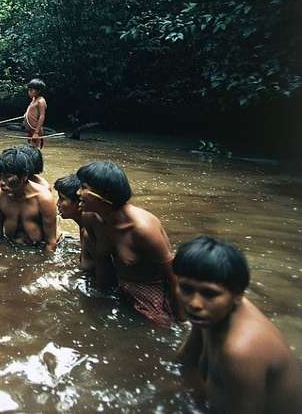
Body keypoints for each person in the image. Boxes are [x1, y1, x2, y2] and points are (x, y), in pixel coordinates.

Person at [174, 236, 302, 413]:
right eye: (186, 289)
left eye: (209, 293)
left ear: (238, 295)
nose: (194, 303)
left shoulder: (240, 352)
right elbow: (186, 359)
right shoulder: (210, 311)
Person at [77, 161, 179, 325]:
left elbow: (173, 277)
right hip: (119, 284)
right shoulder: (90, 217)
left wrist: (179, 318)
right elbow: (101, 261)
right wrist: (99, 302)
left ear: (103, 194)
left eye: (84, 187)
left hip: (148, 288)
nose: (78, 192)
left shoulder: (143, 229)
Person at [0, 147, 58, 252]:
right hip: (10, 245)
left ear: (24, 176)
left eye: (8, 177)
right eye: (0, 176)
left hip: (36, 249)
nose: (1, 183)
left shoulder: (44, 199)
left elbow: (51, 242)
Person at [54, 174, 95, 272]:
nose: (57, 203)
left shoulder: (89, 231)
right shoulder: (85, 224)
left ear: (79, 202)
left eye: (62, 198)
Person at [23, 78, 47, 148]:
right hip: (30, 131)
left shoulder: (41, 101)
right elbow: (30, 110)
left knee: (34, 150)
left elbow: (42, 116)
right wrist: (25, 115)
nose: (29, 92)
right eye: (29, 90)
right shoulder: (34, 99)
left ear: (38, 91)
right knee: (30, 148)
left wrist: (36, 133)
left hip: (35, 131)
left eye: (31, 90)